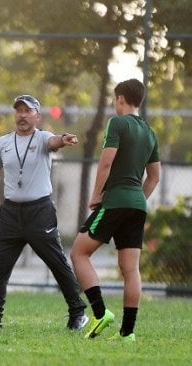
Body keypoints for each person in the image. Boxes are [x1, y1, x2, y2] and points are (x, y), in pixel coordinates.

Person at [0, 94, 88, 330]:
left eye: (27, 111)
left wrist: (64, 139)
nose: (22, 115)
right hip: (11, 214)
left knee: (57, 264)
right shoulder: (3, 143)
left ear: (37, 115)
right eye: (19, 110)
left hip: (39, 212)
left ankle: (78, 313)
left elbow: (54, 141)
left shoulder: (43, 138)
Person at [70, 79, 160, 342]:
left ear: (120, 99)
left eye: (113, 99)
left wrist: (97, 195)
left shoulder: (117, 123)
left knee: (78, 253)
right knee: (130, 269)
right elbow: (154, 176)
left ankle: (99, 314)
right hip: (137, 205)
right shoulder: (150, 131)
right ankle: (128, 333)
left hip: (115, 201)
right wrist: (137, 199)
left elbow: (106, 162)